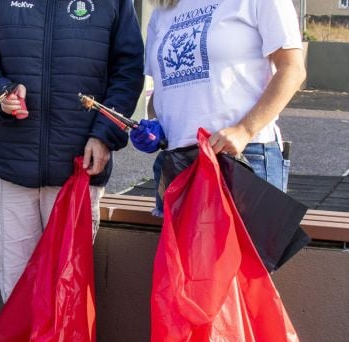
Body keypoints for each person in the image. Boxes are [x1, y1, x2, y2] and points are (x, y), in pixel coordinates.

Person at [0, 0, 145, 302]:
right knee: (15, 291)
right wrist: (1, 94)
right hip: (15, 166)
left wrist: (104, 136)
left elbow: (127, 72)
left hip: (78, 169)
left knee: (66, 293)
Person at [130, 0, 306, 215]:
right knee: (180, 250)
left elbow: (292, 70)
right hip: (177, 164)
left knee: (244, 250)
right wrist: (156, 126)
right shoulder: (163, 11)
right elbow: (164, 89)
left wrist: (245, 130)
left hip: (240, 158)